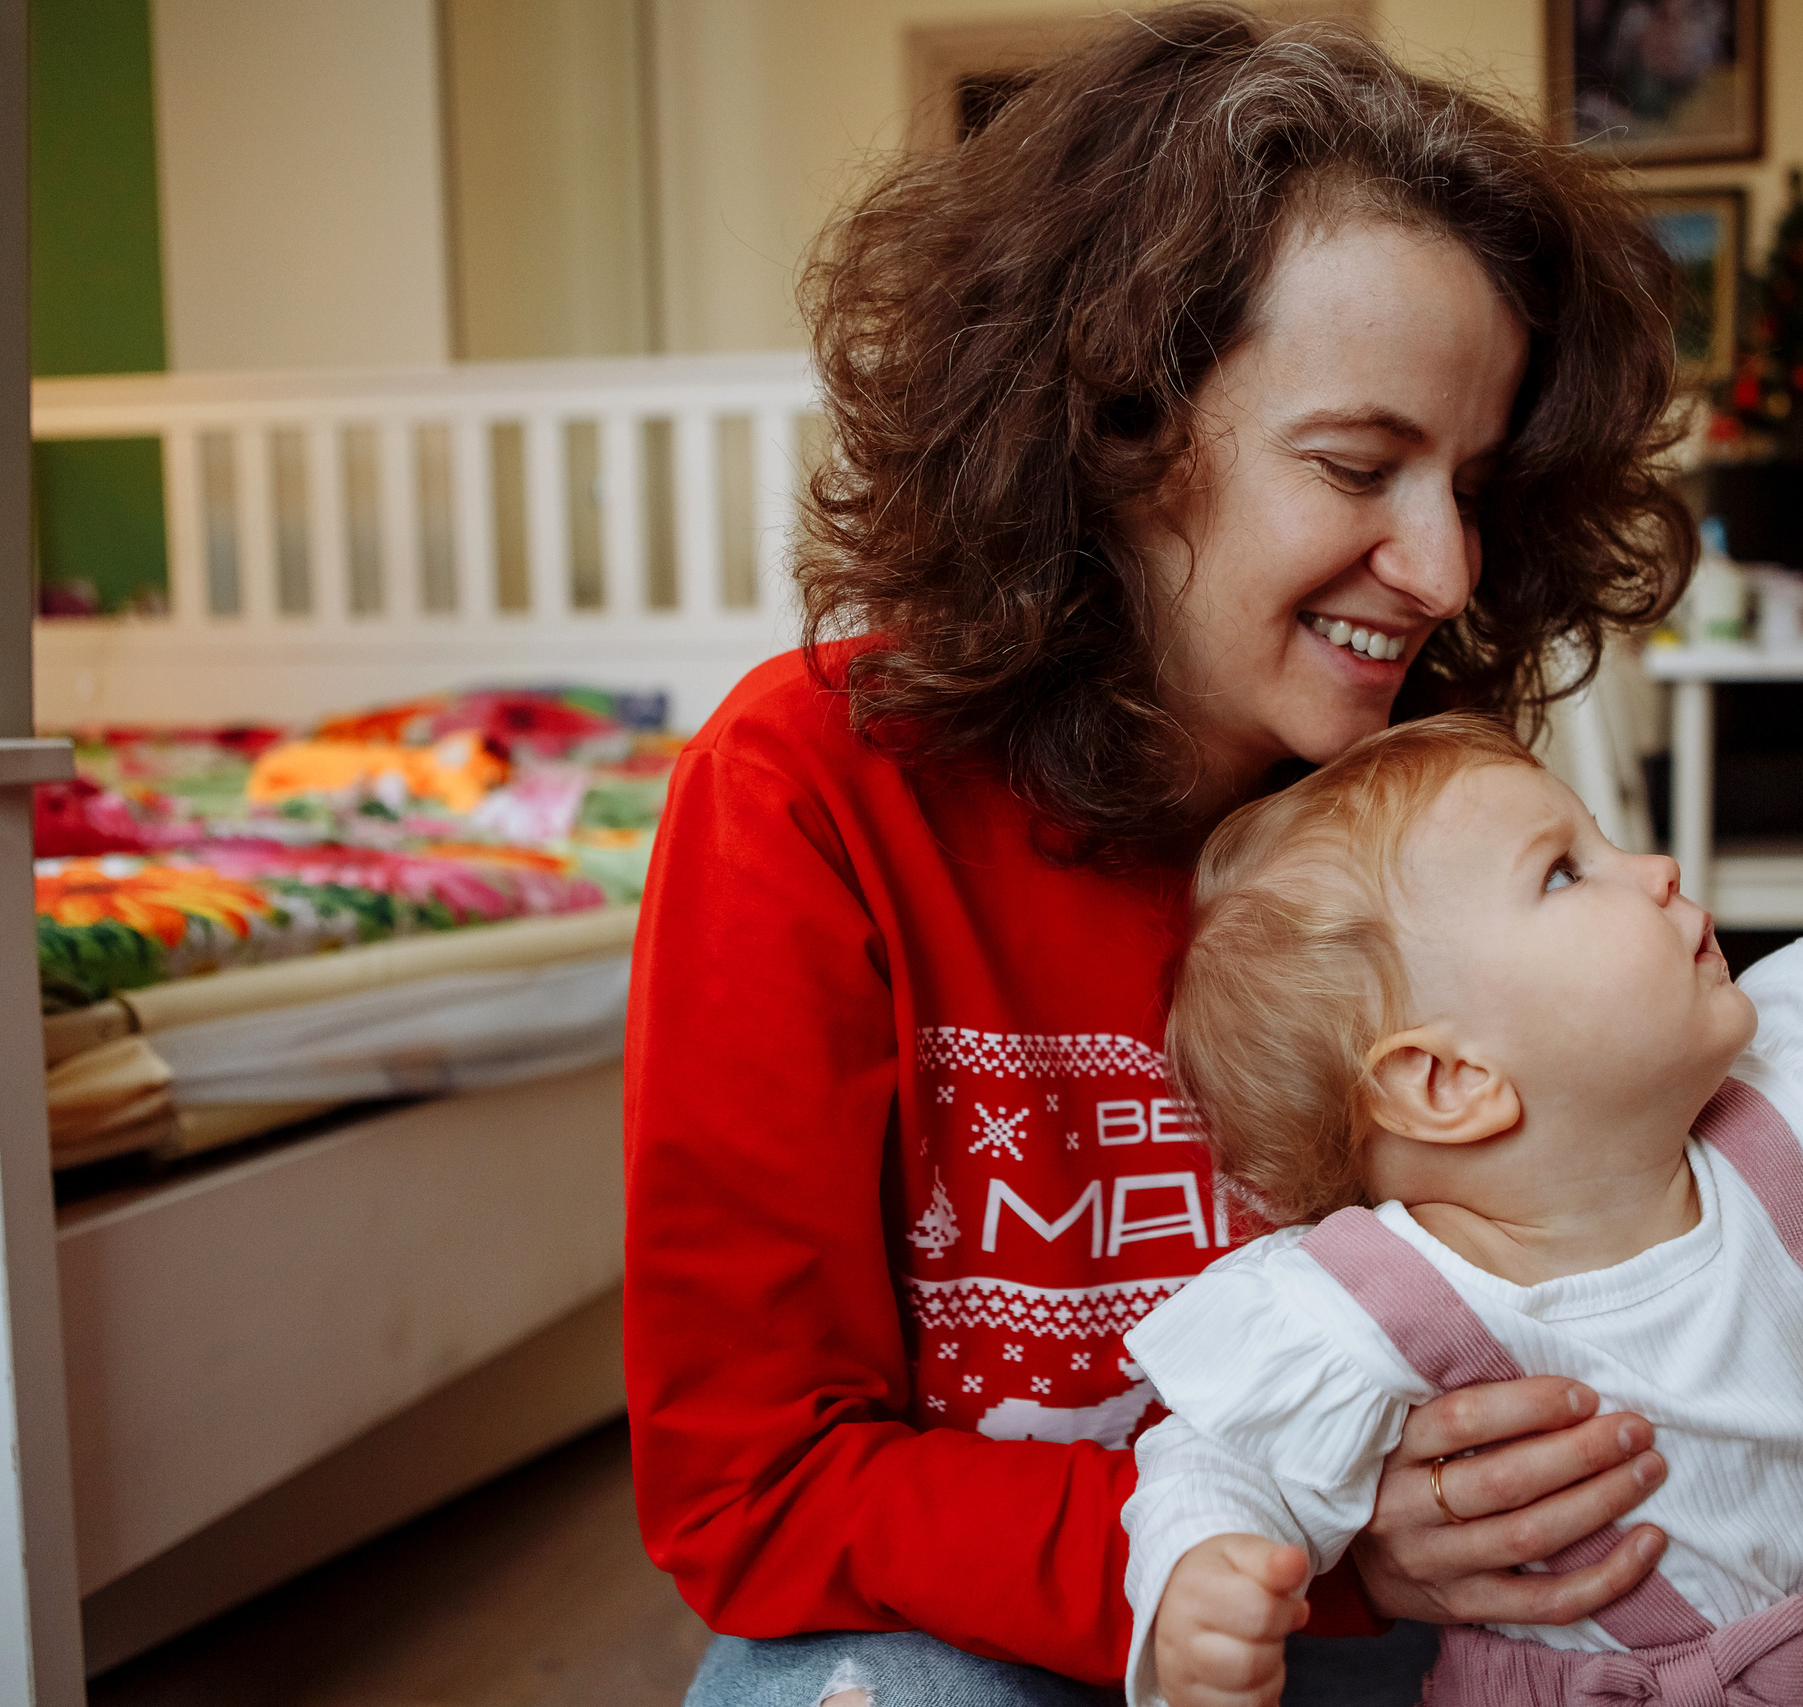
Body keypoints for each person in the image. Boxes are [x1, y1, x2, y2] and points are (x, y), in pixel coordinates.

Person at [622, 8, 1706, 1704]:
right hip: (1001, 1617)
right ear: (1112, 431)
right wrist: (1307, 1556)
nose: (1438, 565)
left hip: (1396, 1606)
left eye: (1474, 485)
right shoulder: (804, 787)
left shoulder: (1413, 809)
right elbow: (748, 1487)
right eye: (1359, 464)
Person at [1125, 625, 1803, 1706]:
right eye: (1567, 873)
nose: (1656, 869)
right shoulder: (1366, 1304)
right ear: (1447, 1082)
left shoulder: (1789, 1132)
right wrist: (1200, 1577)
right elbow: (1218, 1455)